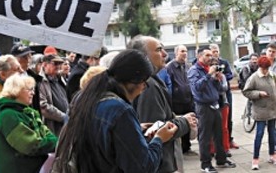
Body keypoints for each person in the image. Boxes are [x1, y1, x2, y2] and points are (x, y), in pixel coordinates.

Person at [55, 49, 177, 172]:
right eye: (144, 84)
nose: (143, 89)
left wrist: (134, 130)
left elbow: (97, 138)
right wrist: (159, 139)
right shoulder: (120, 111)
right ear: (135, 81)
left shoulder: (83, 98)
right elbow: (143, 167)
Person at [129, 36, 194, 173]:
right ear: (143, 57)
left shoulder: (151, 81)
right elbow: (155, 130)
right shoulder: (149, 86)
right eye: (159, 50)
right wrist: (184, 122)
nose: (165, 54)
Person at [0, 74, 57, 173]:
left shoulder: (27, 112)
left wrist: (54, 141)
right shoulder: (9, 116)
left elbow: (46, 133)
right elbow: (31, 146)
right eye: (29, 89)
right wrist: (58, 143)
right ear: (16, 90)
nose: (33, 93)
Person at [189, 48, 238, 172]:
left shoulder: (208, 69)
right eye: (207, 55)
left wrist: (218, 79)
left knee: (219, 134)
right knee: (205, 137)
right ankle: (205, 164)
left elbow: (219, 89)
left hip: (216, 104)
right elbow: (197, 88)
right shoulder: (194, 70)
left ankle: (221, 160)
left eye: (211, 55)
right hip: (203, 107)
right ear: (200, 56)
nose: (210, 57)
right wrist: (209, 75)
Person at [242, 56, 276, 170]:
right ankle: (255, 159)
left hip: (272, 109)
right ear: (259, 67)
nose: (265, 71)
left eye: (267, 68)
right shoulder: (254, 77)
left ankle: (272, 156)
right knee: (259, 134)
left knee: (272, 133)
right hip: (260, 110)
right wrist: (258, 94)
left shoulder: (272, 75)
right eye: (263, 68)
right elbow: (246, 91)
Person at [167, 44, 196, 155]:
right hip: (177, 101)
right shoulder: (170, 67)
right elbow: (168, 84)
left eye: (186, 51)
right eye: (182, 51)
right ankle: (180, 148)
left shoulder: (188, 66)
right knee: (179, 123)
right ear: (176, 53)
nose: (185, 53)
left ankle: (187, 146)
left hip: (188, 100)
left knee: (189, 123)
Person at [38, 54, 69, 136]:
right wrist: (63, 117)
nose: (58, 66)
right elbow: (43, 106)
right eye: (55, 63)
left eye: (60, 63)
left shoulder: (60, 78)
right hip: (52, 128)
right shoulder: (40, 81)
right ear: (44, 64)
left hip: (65, 125)